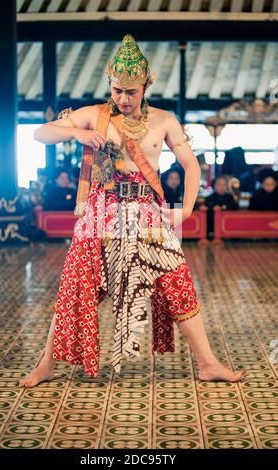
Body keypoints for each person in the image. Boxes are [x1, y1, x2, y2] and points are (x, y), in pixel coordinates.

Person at [19, 34, 247, 388]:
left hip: (147, 214)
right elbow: (40, 133)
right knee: (78, 287)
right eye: (116, 90)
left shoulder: (164, 120)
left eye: (131, 91)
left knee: (177, 281)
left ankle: (207, 363)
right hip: (100, 212)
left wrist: (185, 210)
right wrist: (77, 135)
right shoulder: (94, 115)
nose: (122, 99)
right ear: (110, 84)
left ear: (145, 85)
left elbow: (192, 167)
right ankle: (45, 364)